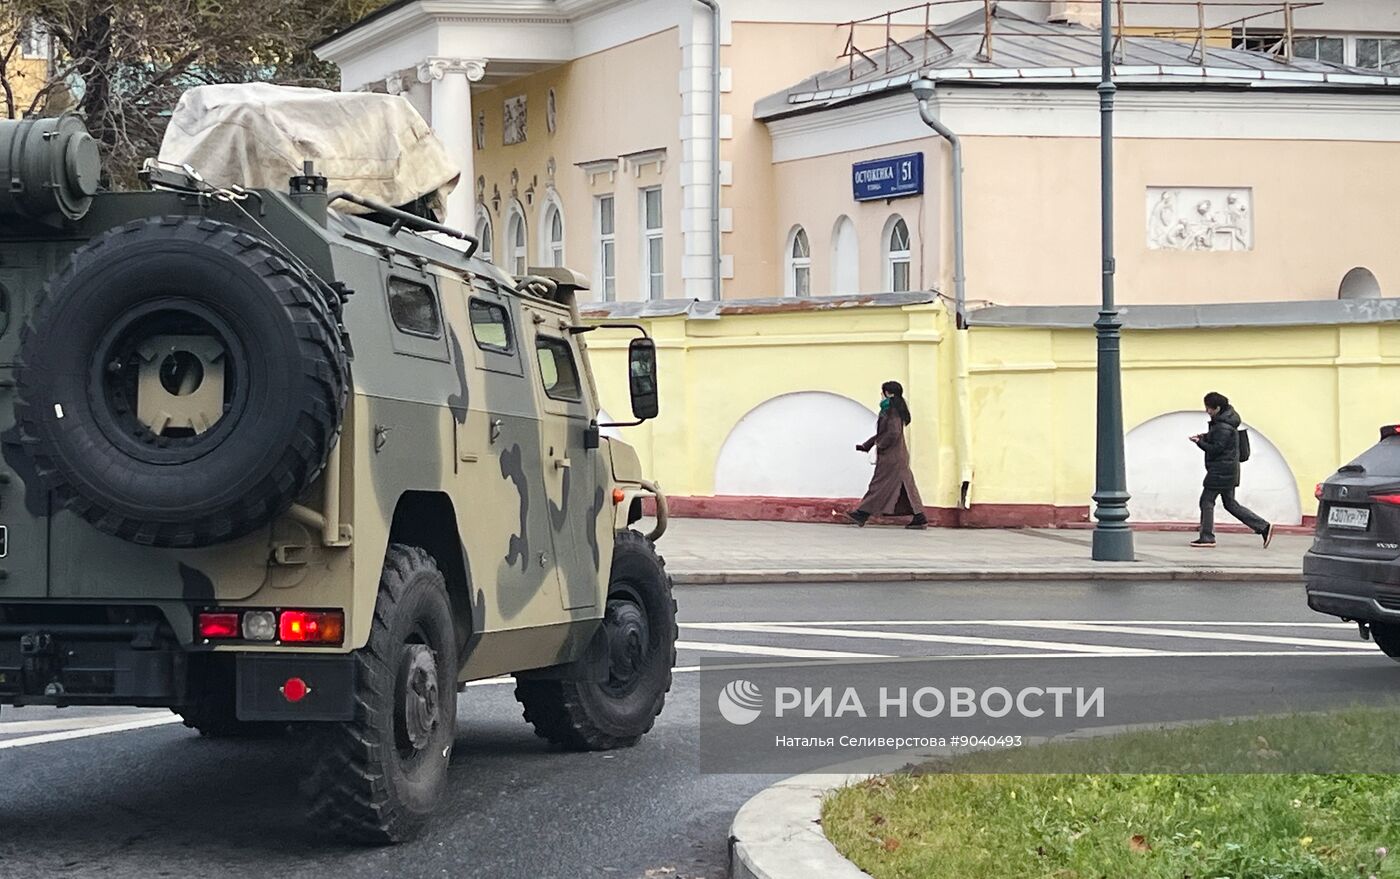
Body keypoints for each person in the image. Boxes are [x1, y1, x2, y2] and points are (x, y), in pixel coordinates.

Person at [1190, 391, 1273, 548]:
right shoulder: (1226, 424)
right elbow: (1220, 441)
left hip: (1220, 471)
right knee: (1230, 504)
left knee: (1206, 501)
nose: (1207, 411)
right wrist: (1205, 437)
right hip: (1228, 470)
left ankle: (1207, 537)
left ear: (1218, 408)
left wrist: (1199, 442)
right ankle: (1263, 527)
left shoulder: (1223, 426)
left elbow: (1217, 448)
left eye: (1210, 408)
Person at [847, 381, 928, 530]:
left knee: (878, 485)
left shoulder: (891, 410)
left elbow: (893, 432)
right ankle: (919, 517)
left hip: (891, 457)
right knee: (905, 487)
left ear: (888, 393)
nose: (881, 395)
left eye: (882, 392)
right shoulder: (893, 409)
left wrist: (880, 445)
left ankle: (862, 513)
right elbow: (882, 433)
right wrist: (867, 445)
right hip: (897, 455)